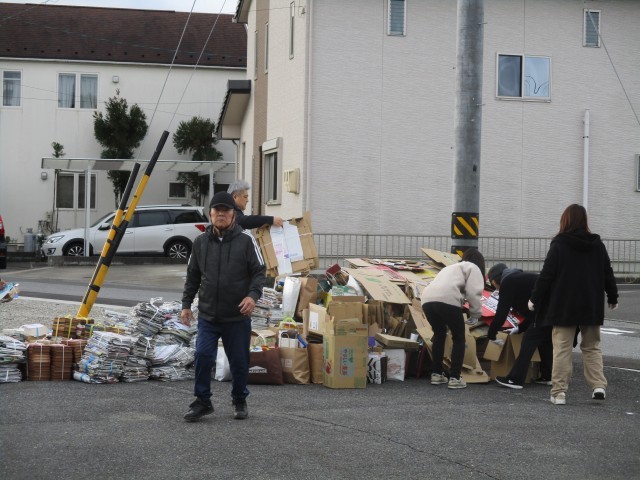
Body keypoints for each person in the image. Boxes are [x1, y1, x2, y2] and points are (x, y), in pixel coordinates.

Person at [181, 191, 266, 422]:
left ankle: (239, 399)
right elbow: (193, 276)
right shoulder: (200, 242)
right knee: (202, 356)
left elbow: (259, 272)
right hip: (208, 315)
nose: (221, 214)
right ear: (210, 214)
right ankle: (202, 402)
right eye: (216, 210)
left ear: (233, 215)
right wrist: (186, 304)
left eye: (225, 211)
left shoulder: (246, 241)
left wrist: (252, 296)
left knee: (239, 361)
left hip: (237, 315)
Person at [529, 204, 618, 406]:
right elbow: (607, 272)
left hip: (564, 305)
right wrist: (612, 296)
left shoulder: (559, 244)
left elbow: (546, 275)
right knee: (592, 346)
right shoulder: (597, 245)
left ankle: (559, 392)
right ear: (585, 221)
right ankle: (598, 385)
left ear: (565, 220)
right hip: (591, 304)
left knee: (562, 348)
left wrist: (534, 298)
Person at [420, 248, 486, 389]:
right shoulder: (473, 267)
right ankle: (455, 378)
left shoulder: (449, 268)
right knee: (459, 338)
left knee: (439, 334)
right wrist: (475, 315)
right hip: (448, 299)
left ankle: (436, 374)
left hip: (427, 300)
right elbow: (474, 293)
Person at [486, 263, 553, 389]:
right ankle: (548, 376)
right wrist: (519, 328)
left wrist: (492, 333)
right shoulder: (519, 279)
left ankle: (515, 379)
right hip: (554, 310)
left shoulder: (508, 282)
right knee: (545, 340)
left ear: (494, 281)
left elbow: (502, 312)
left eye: (492, 283)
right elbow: (532, 313)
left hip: (546, 312)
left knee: (528, 341)